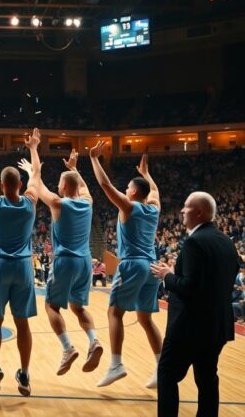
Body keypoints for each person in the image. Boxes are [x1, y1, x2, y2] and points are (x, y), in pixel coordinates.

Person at [151, 191, 239, 417]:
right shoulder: (226, 241)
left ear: (199, 213)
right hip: (217, 324)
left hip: (189, 326)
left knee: (168, 374)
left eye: (186, 207)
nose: (181, 211)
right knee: (207, 378)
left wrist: (167, 276)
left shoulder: (194, 242)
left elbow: (190, 286)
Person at [19, 143, 103, 376]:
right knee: (78, 307)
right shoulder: (88, 202)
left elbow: (36, 186)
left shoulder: (58, 203)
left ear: (64, 186)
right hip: (85, 261)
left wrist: (33, 159)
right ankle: (94, 340)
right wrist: (75, 169)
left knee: (51, 305)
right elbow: (83, 186)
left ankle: (68, 348)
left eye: (59, 183)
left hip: (65, 260)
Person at [89, 143, 163, 389]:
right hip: (152, 268)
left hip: (133, 264)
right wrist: (146, 174)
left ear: (132, 193)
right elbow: (155, 190)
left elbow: (105, 185)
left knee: (114, 313)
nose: (125, 189)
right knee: (145, 319)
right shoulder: (153, 208)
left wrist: (94, 159)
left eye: (128, 188)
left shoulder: (129, 206)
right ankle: (162, 367)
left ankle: (116, 364)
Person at [0, 128, 38, 397]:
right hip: (23, 266)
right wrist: (33, 148)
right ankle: (24, 374)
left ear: (1, 186)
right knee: (22, 323)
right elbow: (37, 177)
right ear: (20, 186)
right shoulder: (31, 202)